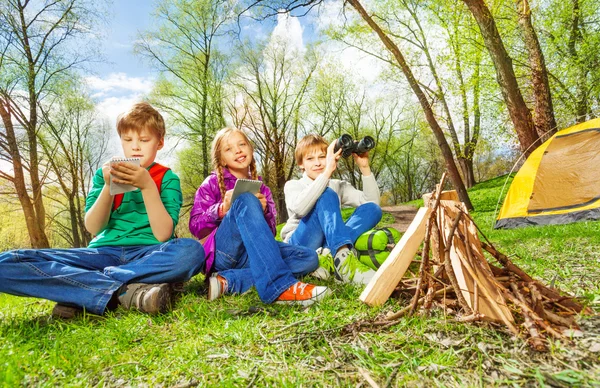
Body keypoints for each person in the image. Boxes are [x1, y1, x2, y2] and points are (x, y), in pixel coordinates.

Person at [0, 102, 205, 317]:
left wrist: (147, 186)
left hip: (149, 254)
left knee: (191, 251)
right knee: (7, 262)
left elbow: (163, 234)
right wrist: (108, 187)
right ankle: (124, 291)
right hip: (102, 252)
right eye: (128, 140)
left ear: (159, 142)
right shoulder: (104, 175)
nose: (135, 146)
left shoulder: (167, 178)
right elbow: (94, 227)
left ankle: (87, 286)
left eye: (144, 140)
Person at [189, 127, 329, 306]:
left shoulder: (263, 189)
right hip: (223, 253)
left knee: (309, 258)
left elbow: (268, 236)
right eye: (229, 149)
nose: (238, 150)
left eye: (242, 144)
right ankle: (278, 286)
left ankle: (230, 280)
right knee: (246, 198)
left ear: (250, 148)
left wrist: (264, 212)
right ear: (222, 160)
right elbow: (195, 226)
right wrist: (222, 209)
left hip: (250, 254)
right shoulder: (211, 183)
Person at [281, 134, 382, 284]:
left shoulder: (337, 184)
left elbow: (372, 203)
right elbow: (300, 209)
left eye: (322, 157)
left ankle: (329, 256)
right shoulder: (293, 185)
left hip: (328, 242)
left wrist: (364, 167)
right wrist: (327, 171)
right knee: (326, 193)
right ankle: (343, 261)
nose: (318, 163)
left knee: (372, 209)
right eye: (310, 159)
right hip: (299, 246)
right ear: (301, 164)